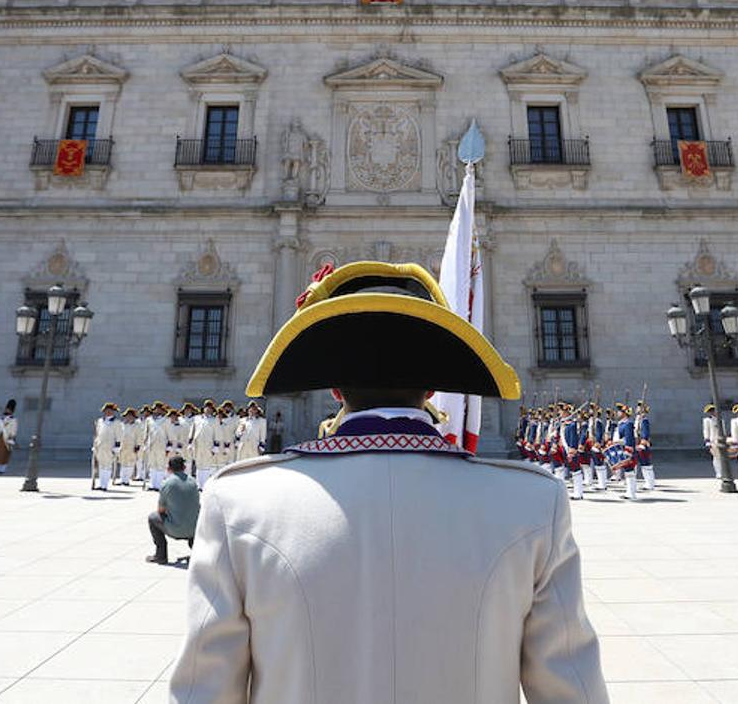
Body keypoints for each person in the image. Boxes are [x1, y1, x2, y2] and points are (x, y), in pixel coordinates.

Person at [164, 260, 606, 702]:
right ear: (434, 388)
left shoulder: (239, 504)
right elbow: (574, 692)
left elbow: (204, 691)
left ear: (334, 389)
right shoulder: (529, 503)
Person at [146, 455, 201, 566]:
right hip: (194, 529)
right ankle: (197, 553)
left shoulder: (167, 483)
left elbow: (160, 510)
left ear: (169, 468)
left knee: (152, 518)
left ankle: (161, 555)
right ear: (185, 467)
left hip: (176, 529)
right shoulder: (193, 482)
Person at [189, 399, 226, 489]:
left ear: (212, 410)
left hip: (208, 445)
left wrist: (216, 447)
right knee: (198, 464)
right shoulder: (197, 418)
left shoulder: (214, 420)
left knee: (206, 465)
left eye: (210, 408)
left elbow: (218, 434)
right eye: (206, 408)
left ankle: (204, 485)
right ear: (203, 409)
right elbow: (192, 431)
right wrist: (190, 443)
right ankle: (198, 484)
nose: (208, 410)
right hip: (198, 444)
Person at [92, 403, 119, 491]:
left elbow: (119, 435)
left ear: (113, 412)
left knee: (107, 466)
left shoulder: (116, 422)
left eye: (110, 410)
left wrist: (117, 447)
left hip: (109, 446)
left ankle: (105, 485)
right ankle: (101, 484)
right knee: (101, 465)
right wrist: (95, 445)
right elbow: (97, 434)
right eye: (106, 410)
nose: (107, 412)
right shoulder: (100, 421)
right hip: (100, 446)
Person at [0, 399, 18, 474]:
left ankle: (2, 468)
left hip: (7, 438)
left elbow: (14, 429)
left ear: (12, 411)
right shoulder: (1, 419)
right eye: (6, 409)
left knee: (5, 453)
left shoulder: (13, 420)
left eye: (9, 410)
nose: (7, 410)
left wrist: (12, 437)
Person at [117, 408, 142, 485]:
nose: (128, 418)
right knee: (123, 462)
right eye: (127, 416)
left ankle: (127, 479)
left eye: (130, 416)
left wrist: (138, 445)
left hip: (132, 446)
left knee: (130, 463)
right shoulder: (122, 425)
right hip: (123, 446)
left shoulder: (137, 426)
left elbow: (139, 436)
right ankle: (122, 479)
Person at [702, 404, 723, 480]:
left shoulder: (720, 420)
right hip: (712, 441)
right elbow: (706, 430)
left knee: (722, 457)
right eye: (711, 411)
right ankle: (718, 472)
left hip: (720, 440)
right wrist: (707, 440)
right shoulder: (707, 420)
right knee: (716, 457)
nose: (713, 412)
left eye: (713, 411)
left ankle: (722, 471)